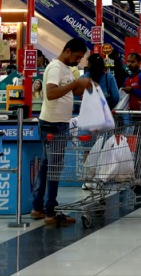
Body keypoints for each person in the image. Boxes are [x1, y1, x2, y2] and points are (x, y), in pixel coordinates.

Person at [31, 38, 94, 226]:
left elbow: (68, 91)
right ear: (67, 51)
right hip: (53, 125)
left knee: (46, 167)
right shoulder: (56, 67)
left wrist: (85, 85)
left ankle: (38, 208)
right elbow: (50, 94)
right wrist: (75, 85)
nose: (78, 60)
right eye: (77, 56)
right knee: (54, 170)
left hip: (57, 123)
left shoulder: (66, 69)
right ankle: (51, 212)